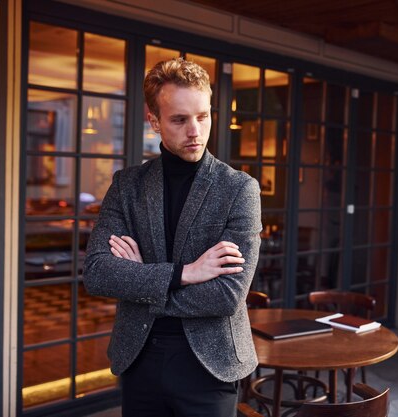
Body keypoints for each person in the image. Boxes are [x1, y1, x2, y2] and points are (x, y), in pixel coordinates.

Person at [83, 57, 262, 417]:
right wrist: (185, 272)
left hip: (211, 364)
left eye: (203, 116)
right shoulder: (127, 185)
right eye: (179, 120)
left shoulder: (239, 189)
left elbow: (227, 295)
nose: (195, 131)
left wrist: (142, 284)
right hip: (139, 355)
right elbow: (98, 272)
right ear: (154, 122)